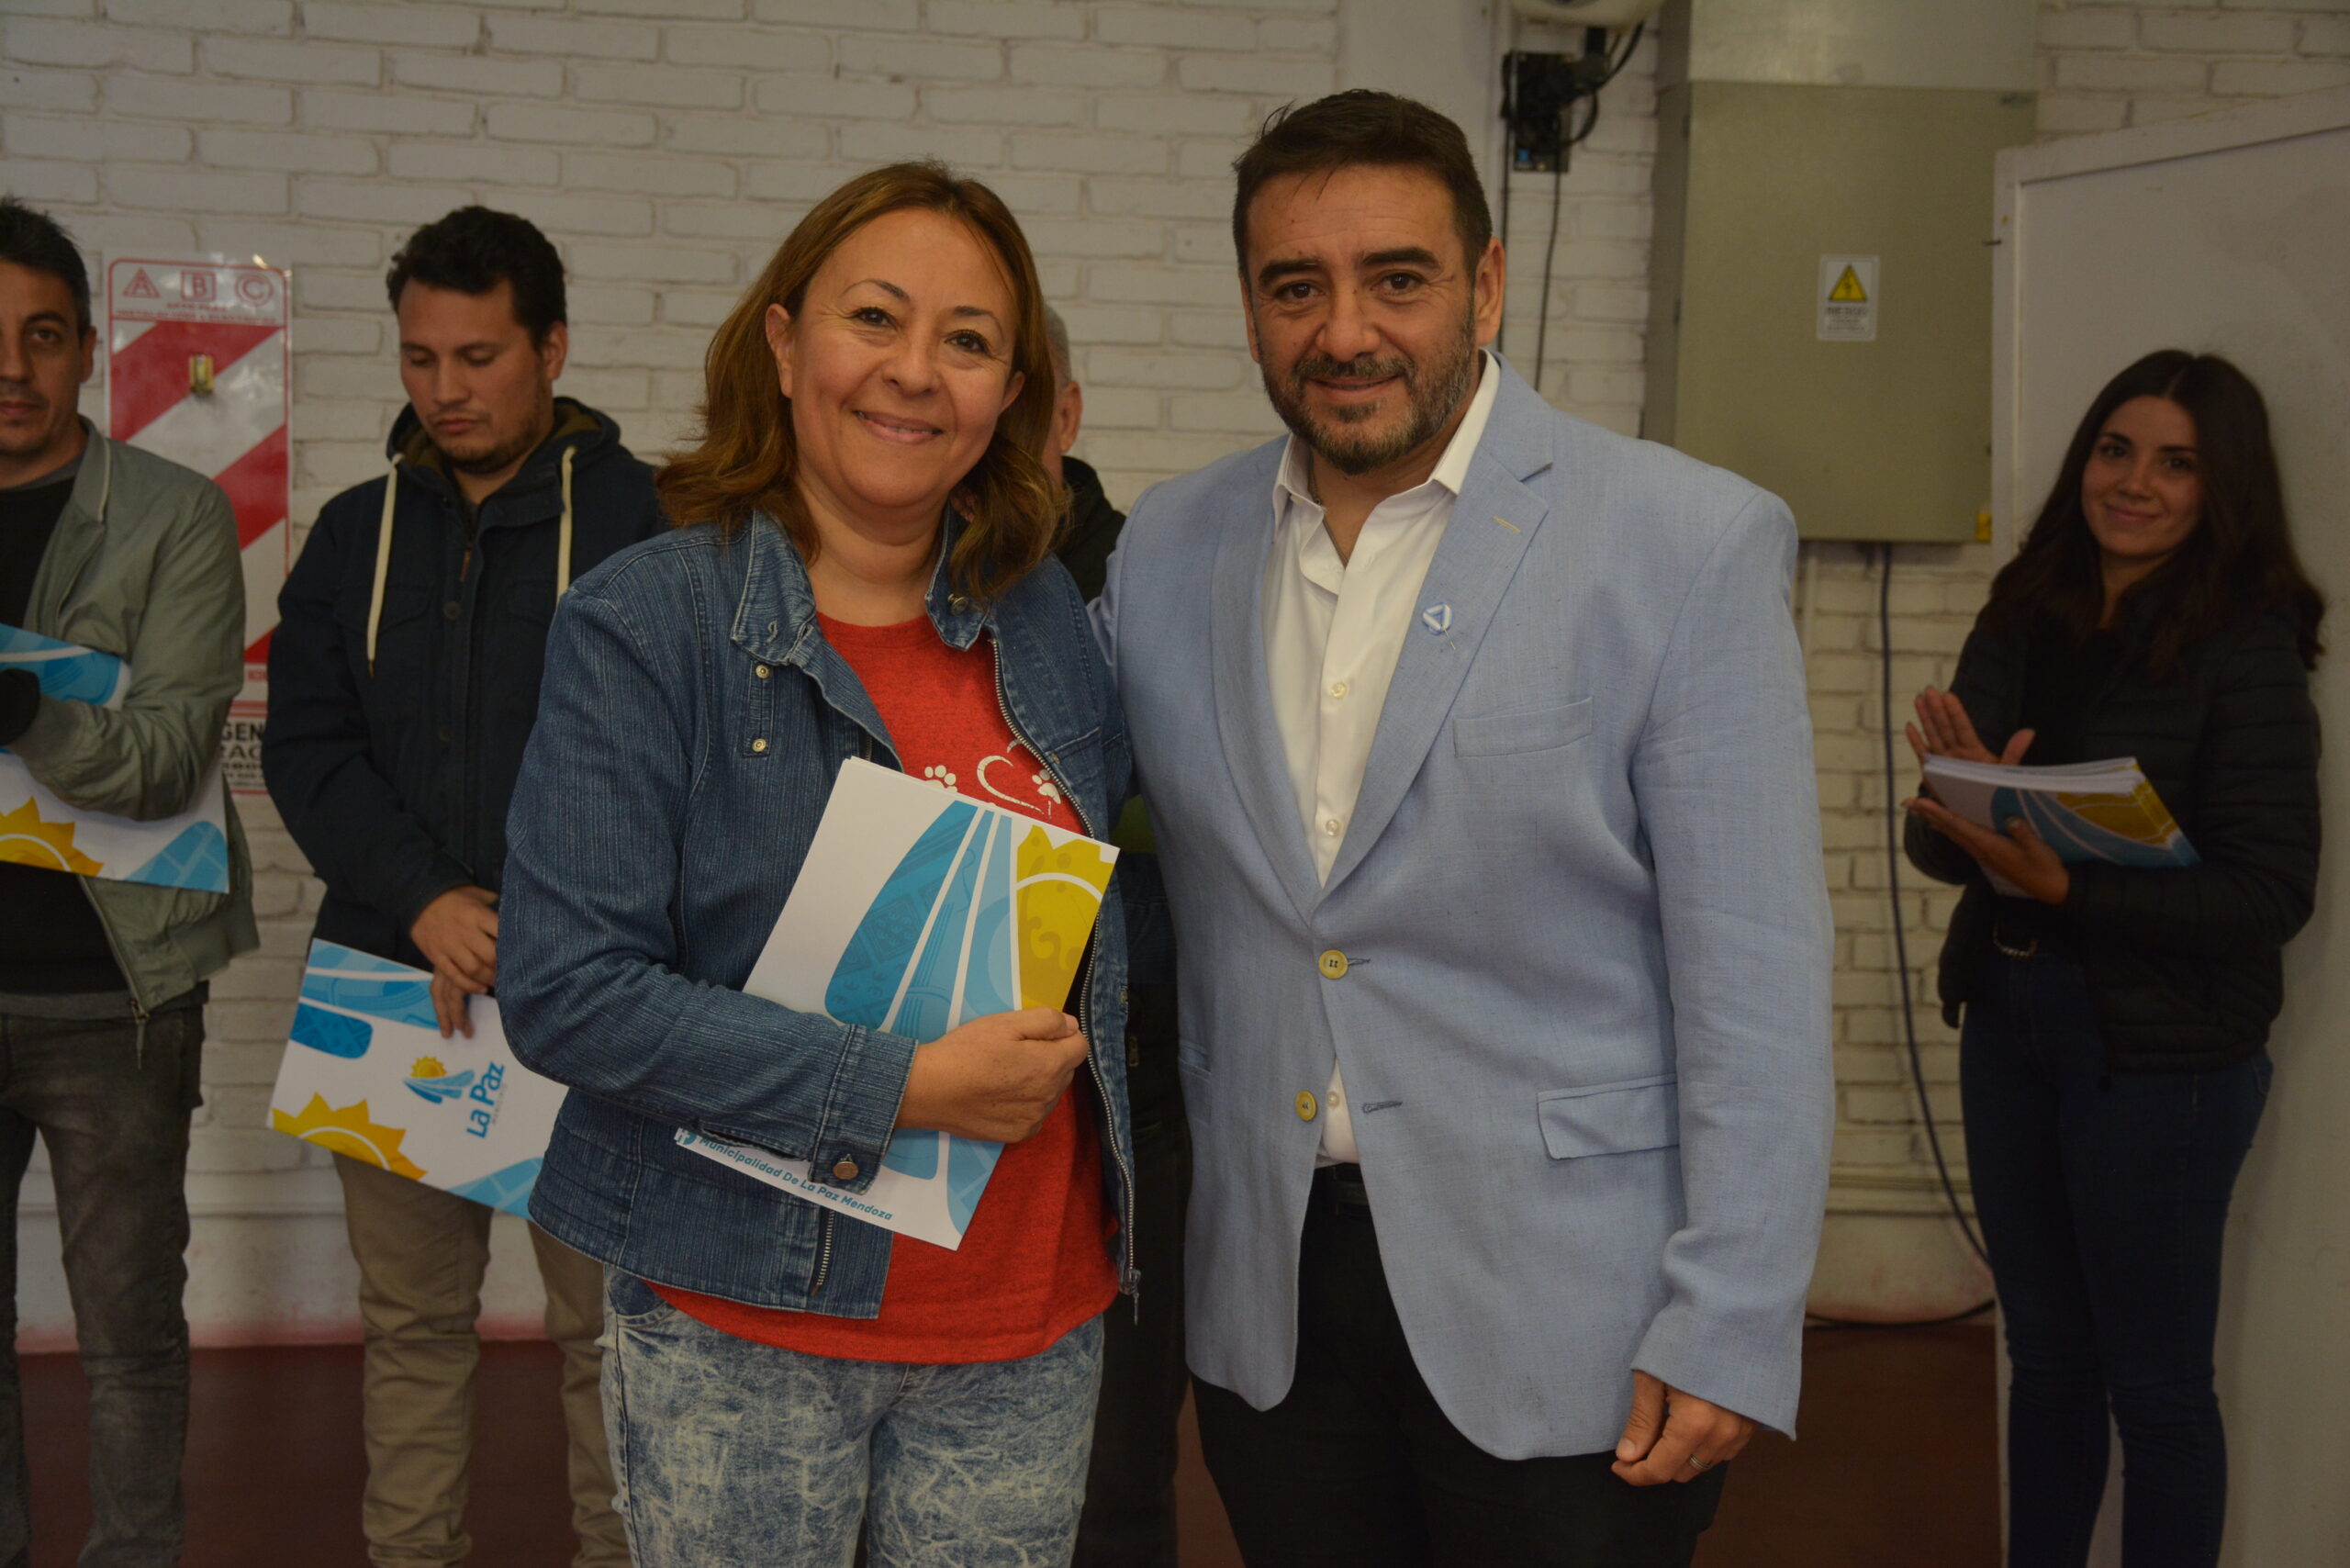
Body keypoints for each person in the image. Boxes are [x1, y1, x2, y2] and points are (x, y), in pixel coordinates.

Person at [1093, 91, 1833, 1568]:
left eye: (1398, 279)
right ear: (1249, 307)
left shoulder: (1684, 540)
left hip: (1575, 1310)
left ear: (1486, 285)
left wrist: (1734, 1315)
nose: (1344, 331)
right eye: (1295, 287)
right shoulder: (1168, 544)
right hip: (1270, 1301)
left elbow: (1755, 974)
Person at [496, 162, 1135, 1568]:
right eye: (875, 318)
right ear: (783, 345)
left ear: (1011, 391)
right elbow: (567, 994)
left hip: (1025, 1321)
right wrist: (903, 1089)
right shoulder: (646, 624)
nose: (915, 373)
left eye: (969, 341)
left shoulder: (1047, 616)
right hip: (745, 1318)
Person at [263, 207, 660, 1568]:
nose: (446, 390)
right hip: (390, 982)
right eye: (420, 358)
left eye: (478, 357)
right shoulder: (351, 533)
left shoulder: (655, 525)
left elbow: (688, 763)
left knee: (611, 1338)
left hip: (599, 999)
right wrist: (426, 899)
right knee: (411, 1331)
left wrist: (549, 924)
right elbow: (308, 748)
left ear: (552, 347)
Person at [1904, 351, 2320, 1568]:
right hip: (2011, 1018)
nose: (2133, 484)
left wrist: (2069, 886)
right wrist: (1960, 808)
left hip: (2161, 1058)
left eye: (2175, 464)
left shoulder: (2245, 645)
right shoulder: (2022, 607)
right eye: (2115, 450)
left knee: (2157, 1390)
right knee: (2046, 1361)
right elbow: (1932, 853)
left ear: (2221, 489)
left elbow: (2271, 895)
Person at [0, 196, 256, 1567]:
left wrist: (20, 709)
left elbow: (164, 760)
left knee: (128, 1339)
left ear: (90, 349)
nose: (12, 368)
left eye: (43, 336)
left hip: (116, 997)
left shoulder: (173, 515)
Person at [1039, 305, 1192, 1568]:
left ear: (1067, 414)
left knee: (1117, 1468)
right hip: (932, 1071)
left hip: (1132, 1072)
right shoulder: (895, 579)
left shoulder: (1153, 583)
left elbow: (1217, 812)